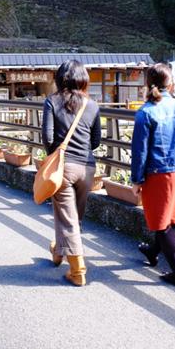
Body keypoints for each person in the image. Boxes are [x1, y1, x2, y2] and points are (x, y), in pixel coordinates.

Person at [130, 63, 175, 287]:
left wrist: (137, 180)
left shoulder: (146, 112)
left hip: (161, 174)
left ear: (148, 83)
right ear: (171, 83)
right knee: (167, 218)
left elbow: (140, 151)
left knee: (162, 223)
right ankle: (151, 251)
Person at [41, 60, 102, 286]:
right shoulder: (92, 105)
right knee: (73, 215)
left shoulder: (52, 101)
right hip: (87, 168)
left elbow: (47, 138)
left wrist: (55, 157)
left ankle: (78, 272)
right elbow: (95, 140)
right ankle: (58, 251)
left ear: (60, 78)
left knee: (68, 219)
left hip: (64, 167)